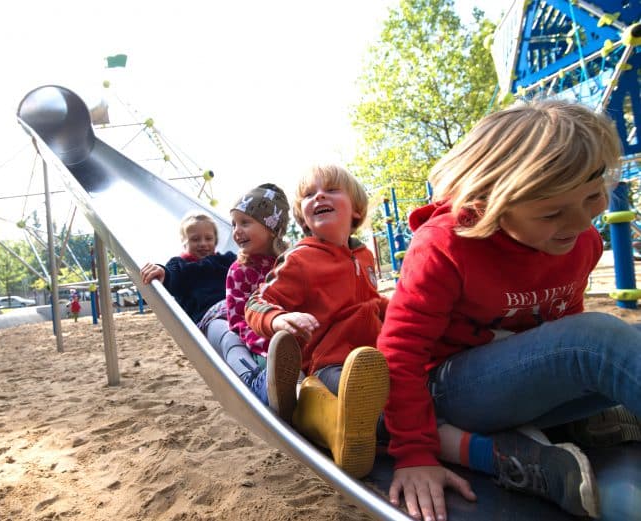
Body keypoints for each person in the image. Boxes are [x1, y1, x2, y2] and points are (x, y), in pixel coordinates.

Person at [377, 99, 641, 521]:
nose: (579, 223)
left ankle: (540, 440)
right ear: (491, 205)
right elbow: (400, 354)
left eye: (593, 196)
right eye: (552, 212)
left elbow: (563, 324)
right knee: (600, 341)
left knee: (617, 341)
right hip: (447, 390)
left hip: (514, 391)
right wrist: (414, 454)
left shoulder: (582, 242)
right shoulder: (446, 246)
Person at [245, 164, 391, 479]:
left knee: (405, 397)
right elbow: (256, 303)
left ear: (357, 210)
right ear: (303, 216)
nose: (319, 196)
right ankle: (318, 414)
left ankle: (330, 420)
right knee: (380, 410)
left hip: (374, 357)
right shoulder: (300, 260)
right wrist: (280, 318)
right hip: (330, 366)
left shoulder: (364, 257)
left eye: (331, 190)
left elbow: (369, 304)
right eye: (309, 195)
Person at [140, 210, 299, 419]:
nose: (203, 243)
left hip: (240, 310)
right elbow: (171, 276)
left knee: (264, 330)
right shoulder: (180, 265)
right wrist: (160, 270)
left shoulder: (226, 260)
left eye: (209, 238)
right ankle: (253, 382)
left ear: (216, 240)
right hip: (210, 319)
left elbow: (252, 269)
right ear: (184, 242)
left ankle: (282, 374)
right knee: (229, 337)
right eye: (195, 239)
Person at [214, 183, 301, 417]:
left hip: (288, 338)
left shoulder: (290, 263)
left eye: (245, 222)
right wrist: (265, 345)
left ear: (271, 227)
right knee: (229, 341)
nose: (236, 231)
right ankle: (259, 385)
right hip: (256, 342)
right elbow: (238, 320)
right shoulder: (239, 270)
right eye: (234, 224)